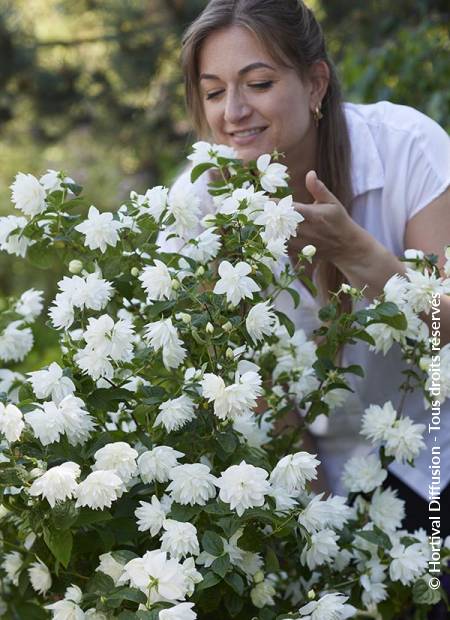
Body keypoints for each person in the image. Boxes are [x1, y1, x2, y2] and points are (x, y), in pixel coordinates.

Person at [168, 0, 450, 536]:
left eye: (258, 83)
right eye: (213, 92)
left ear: (316, 84)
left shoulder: (406, 148)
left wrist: (356, 251)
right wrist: (312, 517)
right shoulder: (200, 202)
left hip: (436, 450)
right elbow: (245, 373)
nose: (232, 112)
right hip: (312, 471)